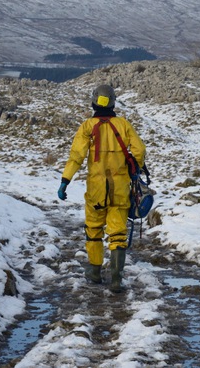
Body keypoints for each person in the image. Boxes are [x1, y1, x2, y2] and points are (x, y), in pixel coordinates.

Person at [58, 84, 146, 293]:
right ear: (113, 102)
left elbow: (76, 157)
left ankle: (95, 273)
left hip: (96, 188)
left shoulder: (87, 126)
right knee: (117, 233)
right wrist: (136, 169)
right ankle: (116, 279)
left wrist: (65, 181)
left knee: (94, 231)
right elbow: (140, 150)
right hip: (121, 188)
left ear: (94, 101)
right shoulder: (123, 124)